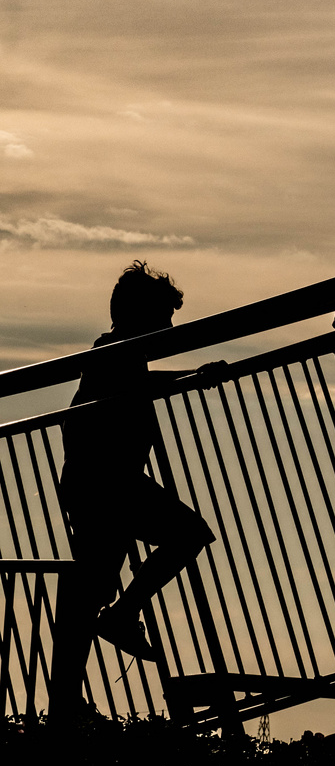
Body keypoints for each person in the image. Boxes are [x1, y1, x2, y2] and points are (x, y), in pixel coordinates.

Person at [50, 261, 222, 723]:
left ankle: (66, 701)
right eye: (163, 317)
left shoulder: (118, 352)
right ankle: (112, 631)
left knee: (91, 589)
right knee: (184, 536)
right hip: (106, 485)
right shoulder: (112, 351)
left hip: (105, 483)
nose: (168, 328)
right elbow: (136, 385)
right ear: (140, 315)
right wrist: (191, 377)